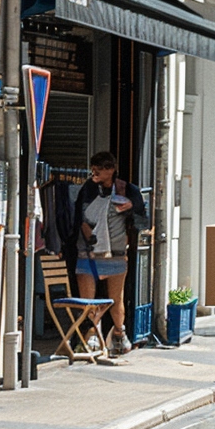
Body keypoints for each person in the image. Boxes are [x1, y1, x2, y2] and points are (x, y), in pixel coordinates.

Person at [74, 151, 147, 356]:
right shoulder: (87, 189)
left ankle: (118, 333)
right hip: (87, 252)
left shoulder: (126, 189)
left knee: (115, 299)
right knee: (88, 300)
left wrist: (131, 206)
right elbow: (78, 217)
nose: (95, 172)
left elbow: (142, 217)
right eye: (94, 168)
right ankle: (92, 335)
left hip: (115, 252)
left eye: (100, 169)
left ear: (111, 170)